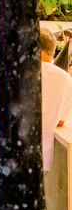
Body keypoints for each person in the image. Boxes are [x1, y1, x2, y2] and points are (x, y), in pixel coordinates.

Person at [41, 27, 72, 171]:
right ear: (52, 50)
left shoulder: (14, 74)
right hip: (43, 157)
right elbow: (60, 121)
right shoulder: (65, 79)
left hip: (8, 153)